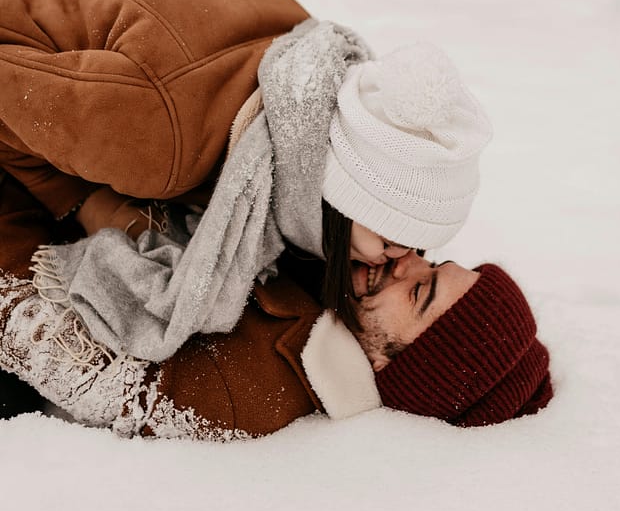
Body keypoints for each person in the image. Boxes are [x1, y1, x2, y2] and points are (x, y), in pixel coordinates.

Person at [0, 0, 492, 366]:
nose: (401, 260)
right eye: (392, 236)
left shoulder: (301, 66)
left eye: (418, 247)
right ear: (350, 189)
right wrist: (82, 201)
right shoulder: (165, 141)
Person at [0, 173, 552, 438]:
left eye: (419, 291)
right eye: (435, 266)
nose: (408, 259)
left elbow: (23, 317)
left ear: (392, 365)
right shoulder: (339, 284)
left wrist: (63, 191)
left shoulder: (245, 391)